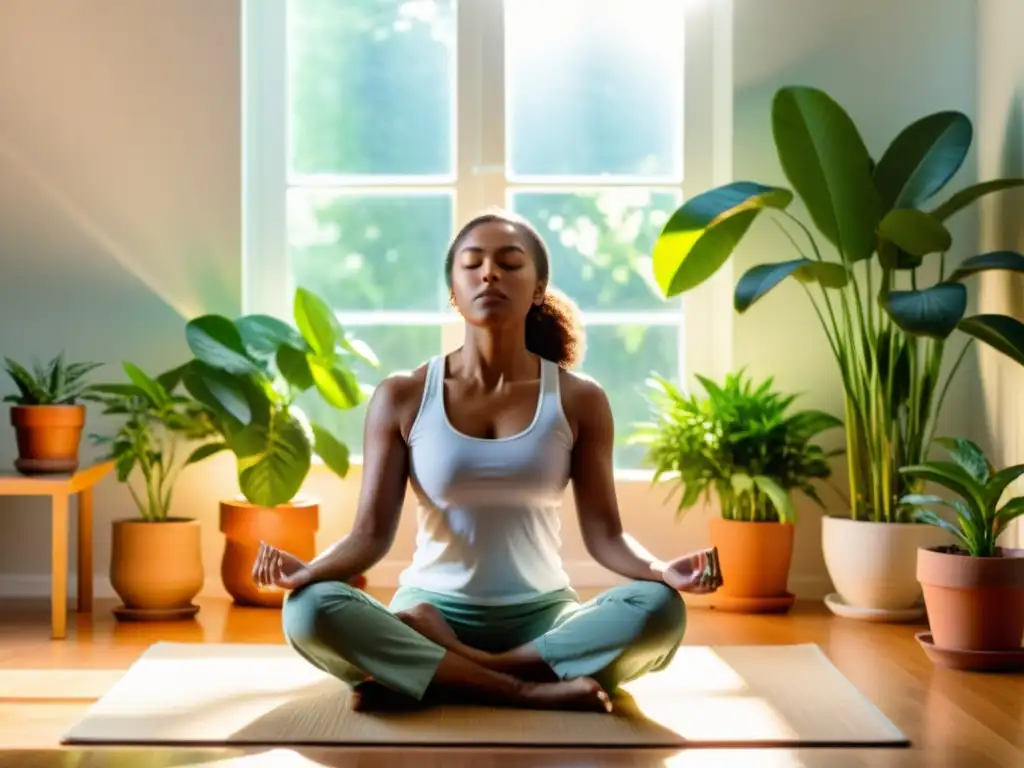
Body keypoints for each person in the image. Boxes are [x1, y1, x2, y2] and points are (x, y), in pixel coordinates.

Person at [252, 209, 721, 714]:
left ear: (539, 287)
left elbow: (605, 535)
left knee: (659, 610)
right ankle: (523, 688)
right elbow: (369, 536)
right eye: (472, 263)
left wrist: (662, 571)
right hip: (428, 609)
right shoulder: (404, 395)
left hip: (543, 618)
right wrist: (308, 574)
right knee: (308, 611)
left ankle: (444, 670)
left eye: (509, 263)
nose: (489, 273)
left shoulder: (579, 399)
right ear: (454, 290)